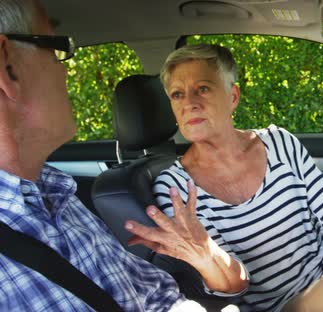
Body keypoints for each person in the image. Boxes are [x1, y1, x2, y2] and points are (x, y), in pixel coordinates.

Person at [125, 44, 323, 311]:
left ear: (233, 96)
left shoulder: (278, 142)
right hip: (278, 305)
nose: (189, 103)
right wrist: (206, 255)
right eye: (177, 94)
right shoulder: (174, 187)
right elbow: (236, 286)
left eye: (202, 88)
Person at [0, 0, 205, 310]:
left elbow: (158, 296)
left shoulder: (57, 194)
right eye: (58, 49)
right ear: (7, 67)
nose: (66, 71)